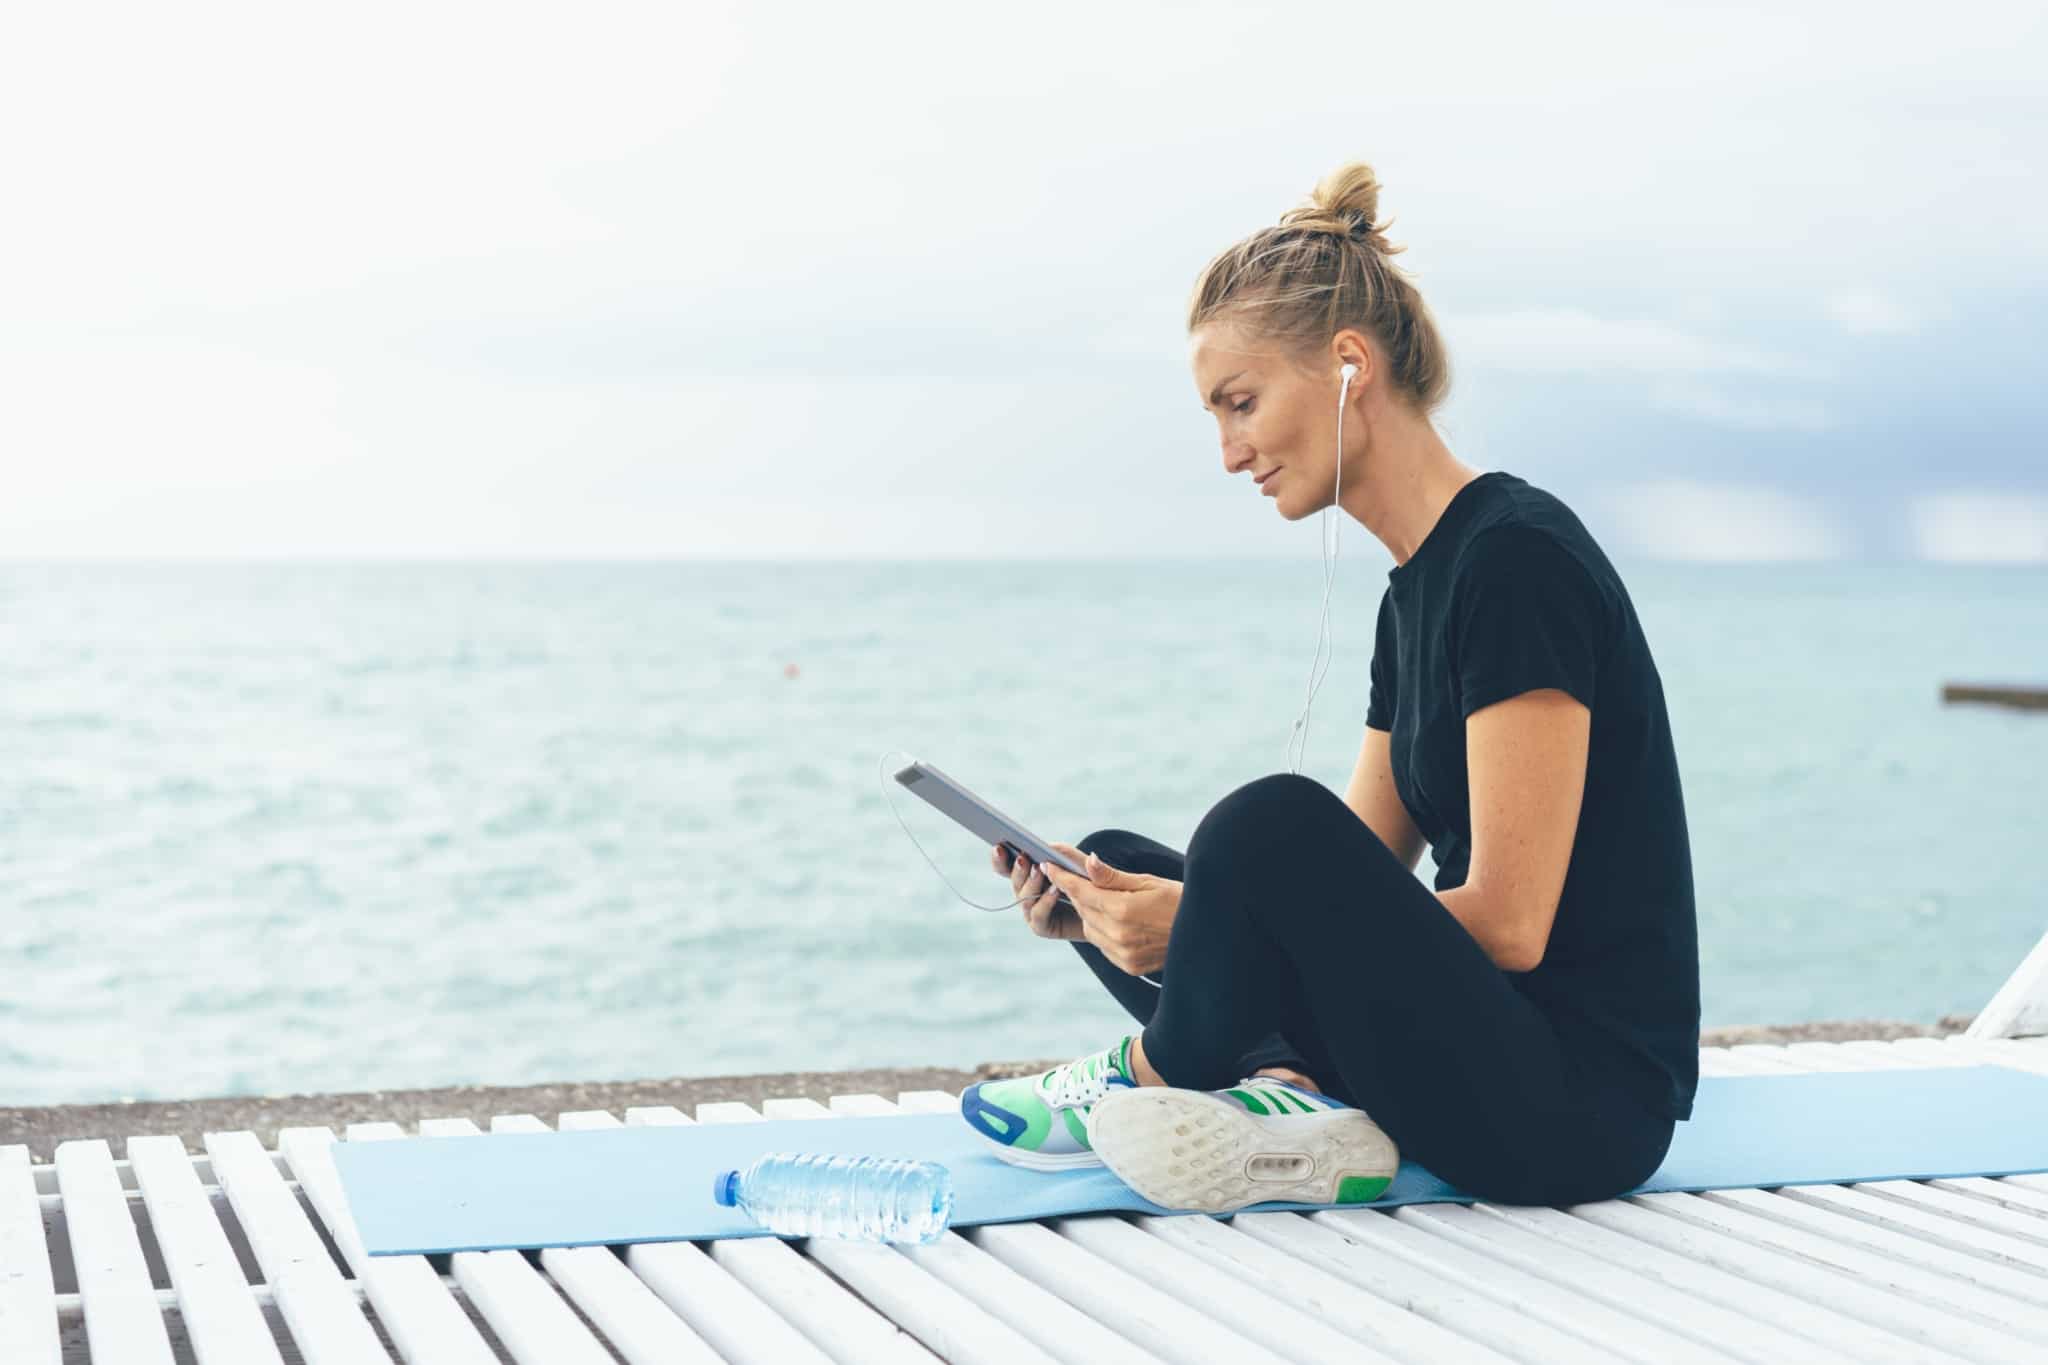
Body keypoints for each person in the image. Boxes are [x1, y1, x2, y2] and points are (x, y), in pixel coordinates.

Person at [957, 160, 1700, 1211]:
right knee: (1122, 862)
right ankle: (1289, 1095)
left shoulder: (1517, 563)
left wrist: (1209, 926)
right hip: (1463, 1055)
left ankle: (1154, 1077)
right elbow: (1357, 876)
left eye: (1240, 403)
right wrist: (1132, 913)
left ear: (1348, 365)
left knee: (1259, 828)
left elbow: (1511, 924)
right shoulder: (1417, 592)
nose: (1228, 454)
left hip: (1573, 1110)